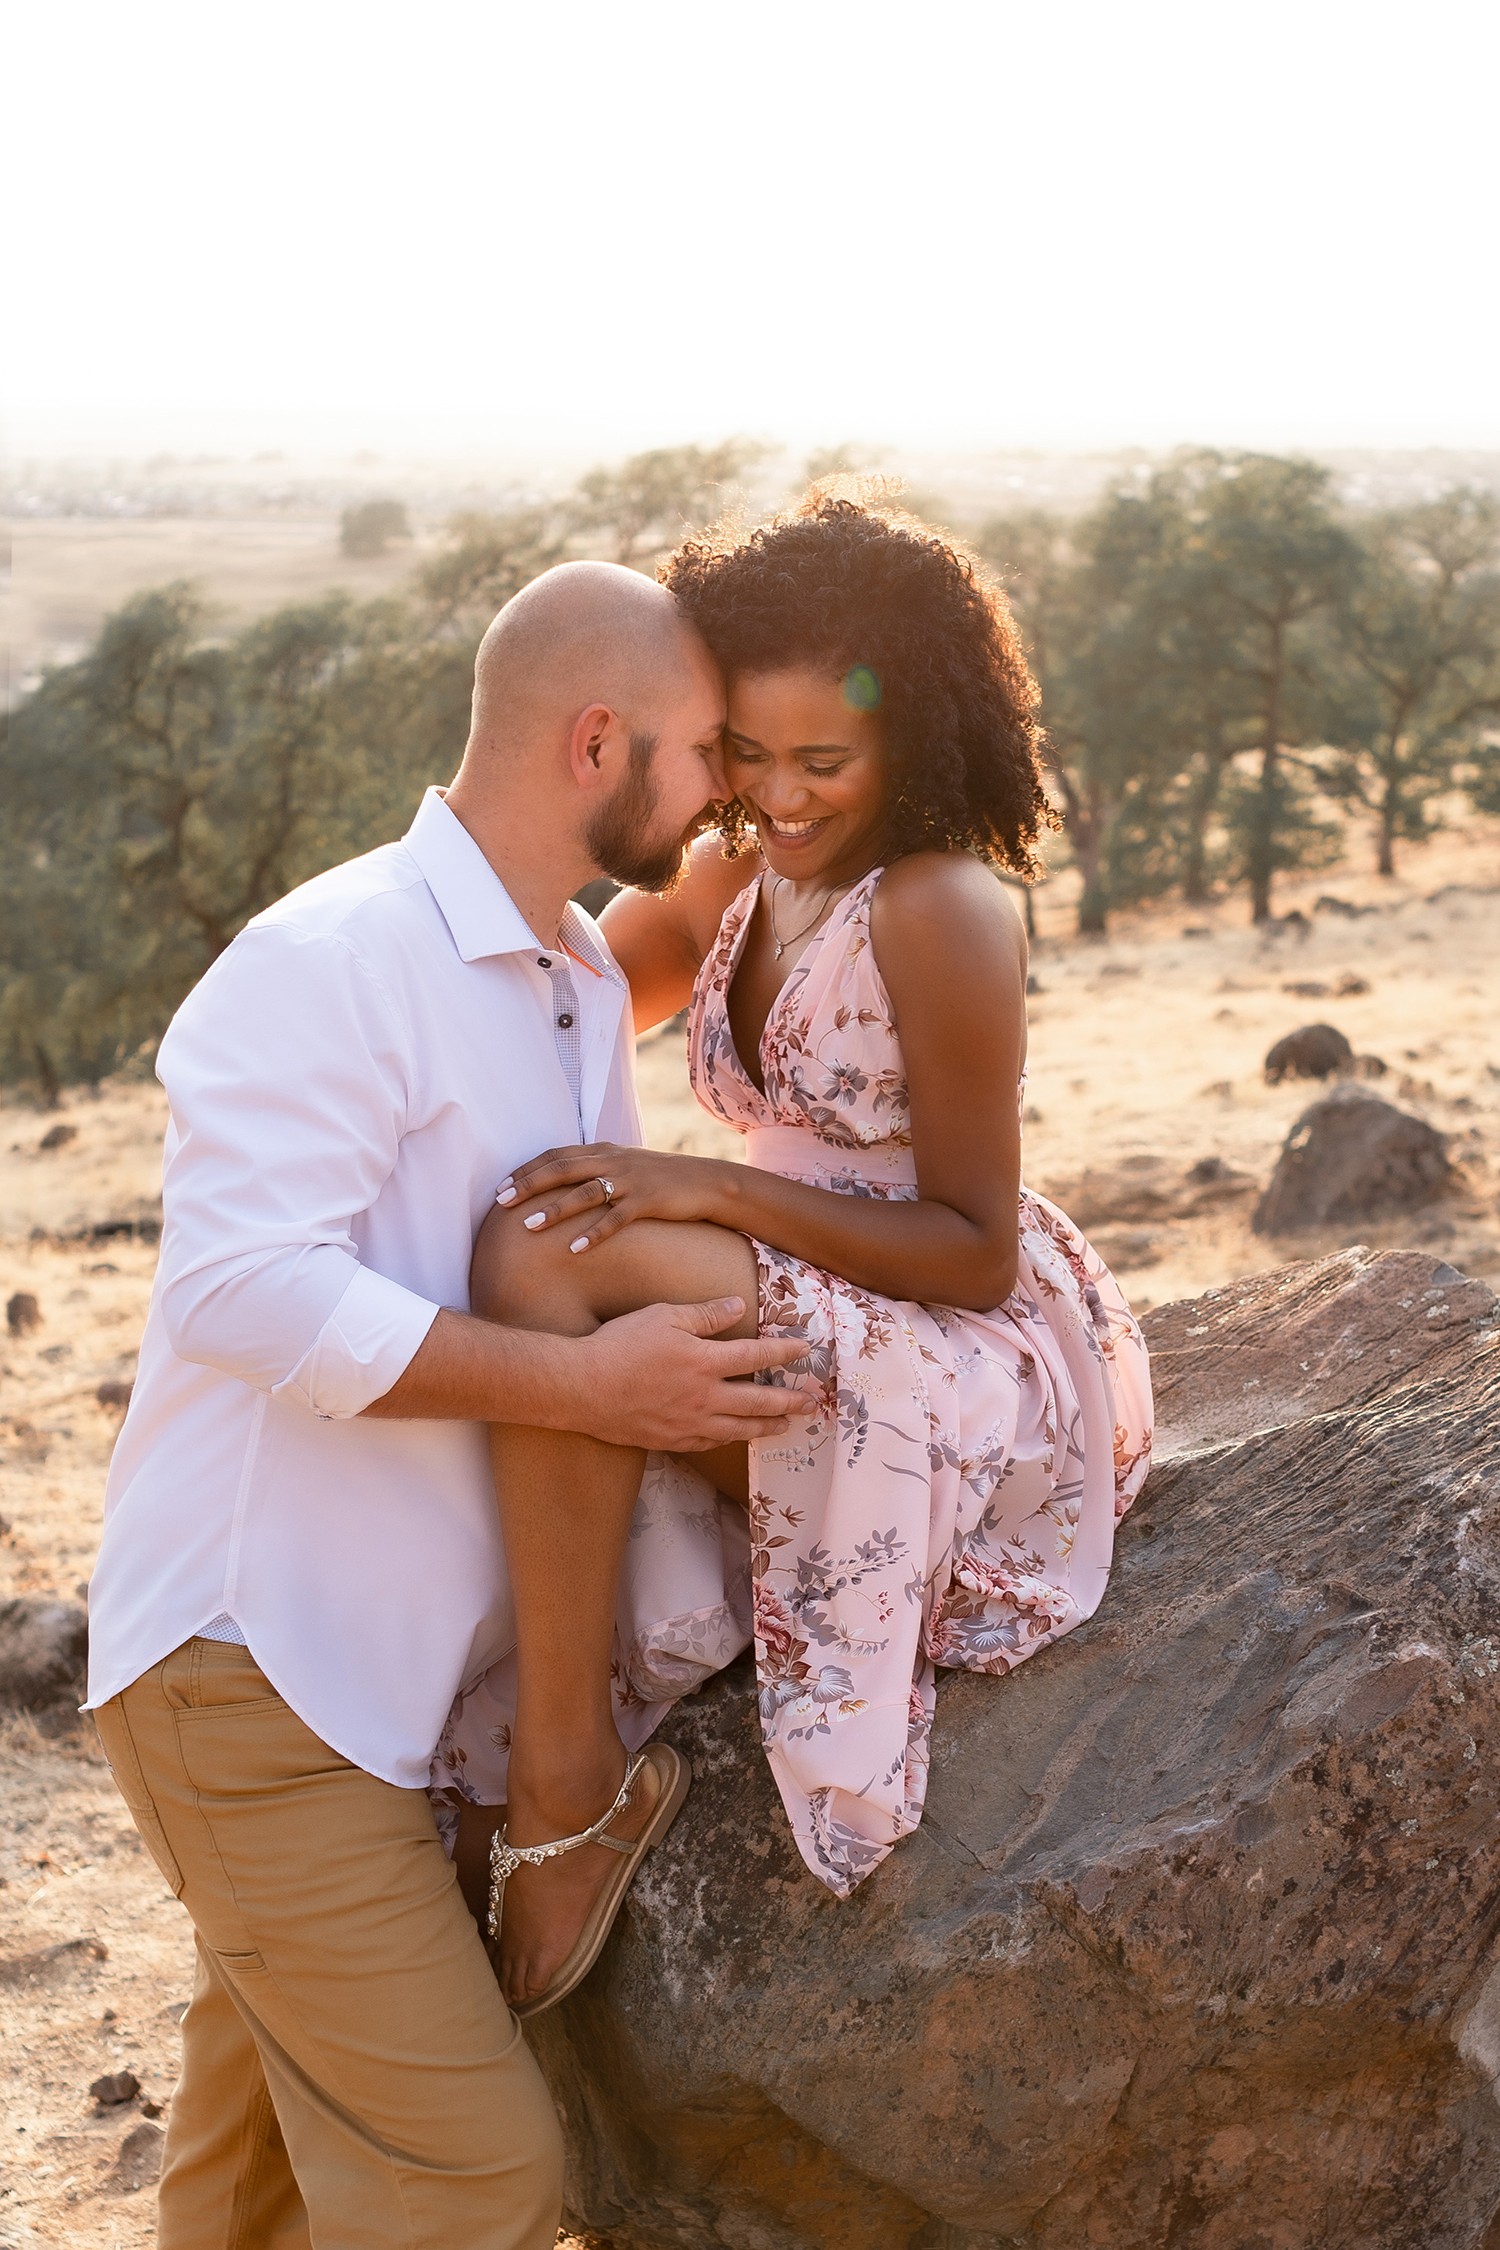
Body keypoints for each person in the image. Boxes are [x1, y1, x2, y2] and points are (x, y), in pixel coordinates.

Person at [83, 562, 812, 2250]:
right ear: (596, 742)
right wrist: (583, 1382)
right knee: (473, 2173)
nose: (723, 796)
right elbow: (236, 1288)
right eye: (706, 754)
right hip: (257, 1680)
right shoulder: (332, 956)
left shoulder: (563, 974)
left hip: (379, 1698)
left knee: (248, 2187)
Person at [445, 488, 1153, 2015]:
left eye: (821, 761)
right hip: (799, 1287)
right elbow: (549, 978)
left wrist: (710, 1191)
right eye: (744, 755)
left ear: (914, 736)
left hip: (960, 1348)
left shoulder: (941, 909)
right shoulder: (733, 881)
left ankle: (560, 1780)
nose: (776, 796)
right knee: (536, 1241)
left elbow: (969, 1250)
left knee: (553, 1261)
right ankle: (557, 1762)